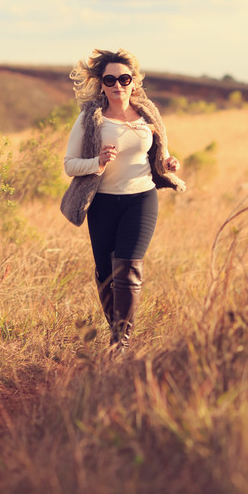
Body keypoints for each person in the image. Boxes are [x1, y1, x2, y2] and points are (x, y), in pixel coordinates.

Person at [60, 49, 185, 351]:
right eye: (110, 79)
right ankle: (116, 330)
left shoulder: (148, 115)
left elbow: (161, 154)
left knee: (128, 269)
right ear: (101, 84)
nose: (118, 84)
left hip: (141, 199)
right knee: (106, 274)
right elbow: (69, 165)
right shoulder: (90, 118)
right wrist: (98, 162)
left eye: (124, 79)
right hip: (102, 203)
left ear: (134, 81)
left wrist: (168, 163)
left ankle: (120, 344)